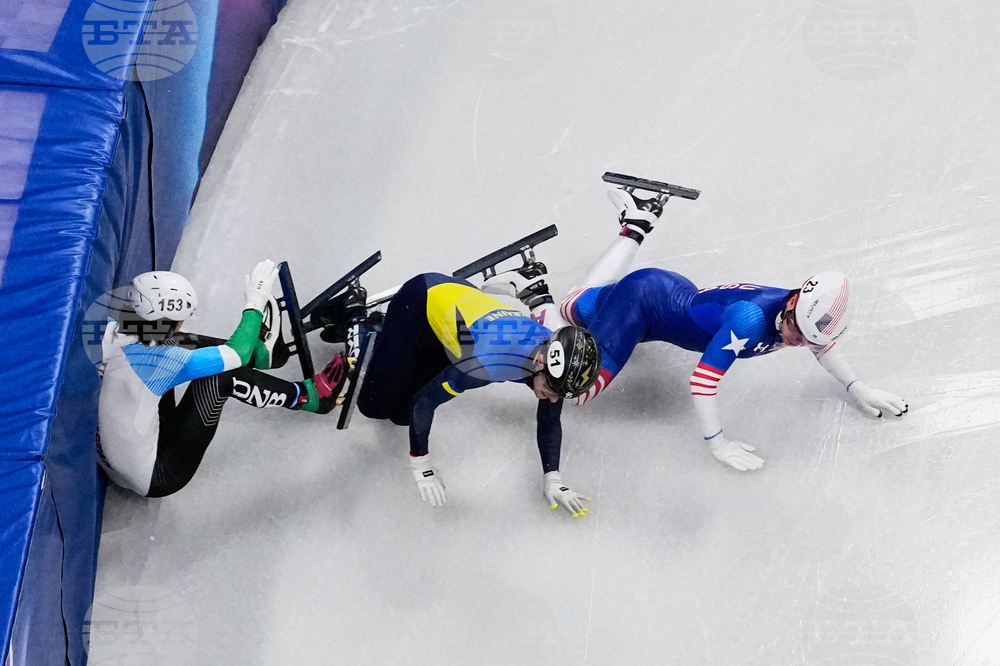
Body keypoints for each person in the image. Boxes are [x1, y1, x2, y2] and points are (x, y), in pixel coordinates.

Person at [491, 184, 909, 472]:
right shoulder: (750, 320)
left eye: (804, 338)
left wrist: (859, 389)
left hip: (662, 293)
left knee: (578, 301)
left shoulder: (804, 318)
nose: (795, 341)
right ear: (796, 299)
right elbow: (702, 384)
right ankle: (533, 291)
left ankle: (636, 221)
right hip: (644, 305)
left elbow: (823, 346)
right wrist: (718, 443)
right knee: (576, 390)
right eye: (795, 330)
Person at [321, 272, 601, 515]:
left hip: (460, 323)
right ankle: (355, 315)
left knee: (401, 417)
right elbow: (425, 402)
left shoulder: (556, 365)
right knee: (374, 407)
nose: (553, 400)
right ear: (541, 362)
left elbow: (550, 421)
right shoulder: (485, 365)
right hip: (420, 300)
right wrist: (423, 465)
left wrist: (552, 478)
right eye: (552, 390)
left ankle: (397, 344)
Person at [97, 261, 347, 497]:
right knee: (221, 375)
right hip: (158, 474)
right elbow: (234, 356)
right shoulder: (161, 362)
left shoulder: (112, 330)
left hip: (118, 462)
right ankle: (312, 397)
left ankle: (262, 354)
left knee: (174, 339)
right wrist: (256, 301)